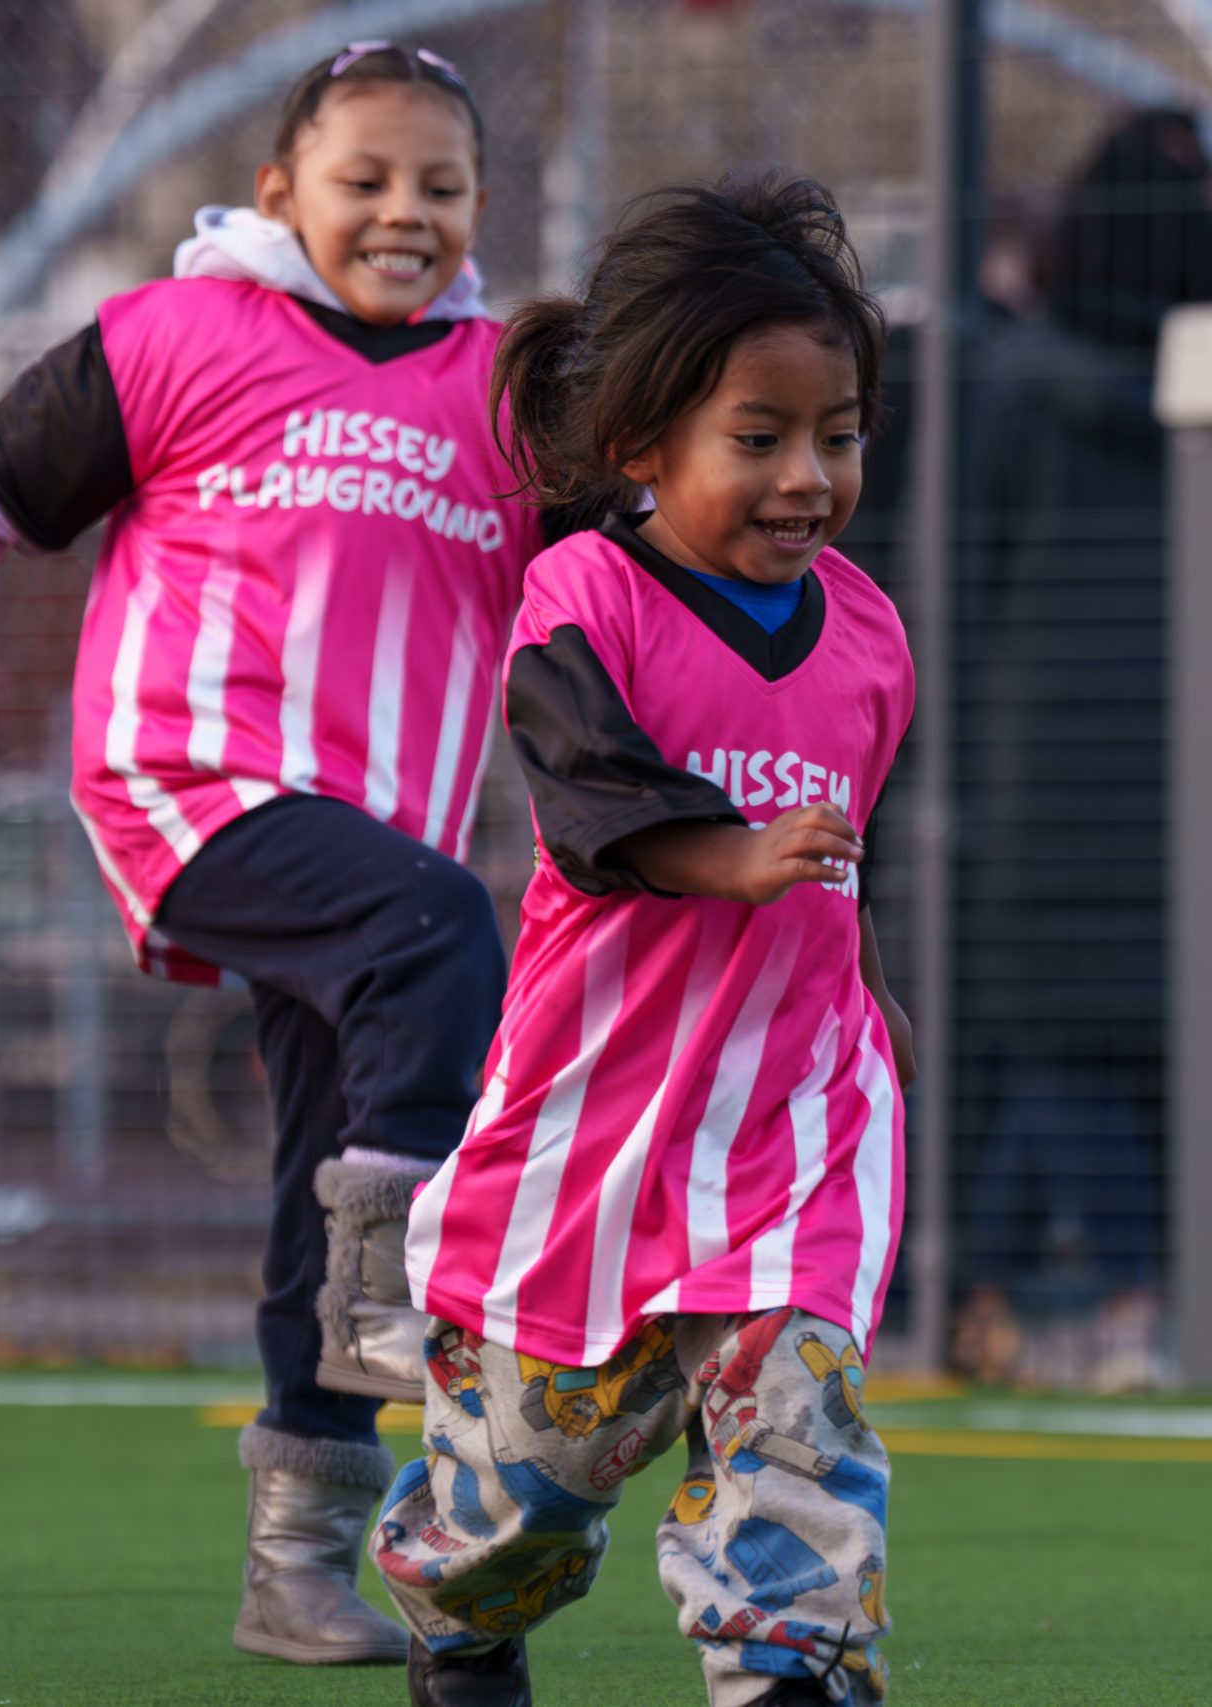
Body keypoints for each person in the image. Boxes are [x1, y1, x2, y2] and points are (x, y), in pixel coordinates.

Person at [0, 42, 553, 1665]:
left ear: (480, 205)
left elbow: (615, 604)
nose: (403, 211)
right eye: (364, 180)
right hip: (191, 784)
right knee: (441, 934)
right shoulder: (175, 338)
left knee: (332, 1143)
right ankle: (395, 1280)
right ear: (281, 192)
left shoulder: (515, 399)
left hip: (375, 855)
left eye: (440, 186)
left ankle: (296, 1559)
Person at [373, 175, 913, 1707]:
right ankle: (461, 1627)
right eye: (761, 437)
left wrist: (873, 996)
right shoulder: (583, 596)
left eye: (839, 435)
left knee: (799, 1425)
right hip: (592, 1130)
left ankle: (790, 1667)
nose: (808, 476)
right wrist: (732, 856)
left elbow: (842, 855)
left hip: (798, 1119)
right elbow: (589, 792)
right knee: (520, 1490)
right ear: (640, 445)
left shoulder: (871, 632)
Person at [953, 108, 1212, 1378]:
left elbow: (964, 584)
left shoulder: (1010, 387)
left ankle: (1110, 1299)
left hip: (1041, 777)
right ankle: (1014, 1291)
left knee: (1054, 1042)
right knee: (1153, 1043)